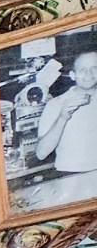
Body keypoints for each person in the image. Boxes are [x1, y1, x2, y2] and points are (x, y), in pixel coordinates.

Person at [33, 49, 97, 199]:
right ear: (73, 75)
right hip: (71, 178)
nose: (89, 73)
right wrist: (62, 117)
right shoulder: (56, 104)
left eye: (94, 67)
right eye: (82, 69)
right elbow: (41, 153)